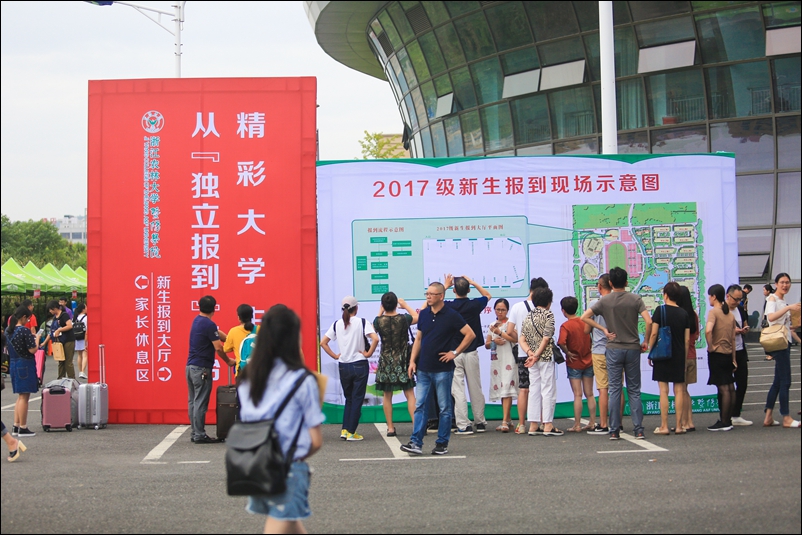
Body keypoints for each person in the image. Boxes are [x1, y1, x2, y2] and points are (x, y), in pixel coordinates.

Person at [237, 304, 324, 534]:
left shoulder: (248, 379)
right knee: (280, 520)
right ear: (294, 338)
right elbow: (316, 441)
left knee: (290, 521)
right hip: (287, 469)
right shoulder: (303, 380)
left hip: (256, 466)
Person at [400, 282, 475, 456]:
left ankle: (442, 443)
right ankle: (416, 442)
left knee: (444, 408)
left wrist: (455, 352)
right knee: (420, 406)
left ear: (441, 296)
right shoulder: (424, 314)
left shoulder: (451, 315)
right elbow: (418, 339)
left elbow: (470, 334)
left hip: (443, 369)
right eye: (427, 294)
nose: (428, 297)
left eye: (432, 294)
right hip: (423, 368)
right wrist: (412, 361)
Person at [581, 267, 652, 440]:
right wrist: (645, 341)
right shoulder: (635, 299)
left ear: (611, 283)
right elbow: (649, 321)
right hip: (633, 347)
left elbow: (584, 317)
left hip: (613, 348)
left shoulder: (605, 301)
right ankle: (638, 429)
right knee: (634, 390)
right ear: (627, 282)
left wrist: (603, 329)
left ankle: (614, 430)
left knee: (614, 389)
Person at [320, 296, 378, 442]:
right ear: (356, 308)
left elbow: (323, 343)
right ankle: (351, 431)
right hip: (359, 364)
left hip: (343, 365)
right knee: (357, 399)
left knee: (349, 398)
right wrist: (368, 353)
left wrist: (335, 356)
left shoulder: (337, 324)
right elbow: (375, 339)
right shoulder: (362, 322)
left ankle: (345, 429)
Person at [443, 274, 491, 435]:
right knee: (475, 387)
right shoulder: (474, 304)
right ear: (469, 290)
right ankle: (480, 421)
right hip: (471, 351)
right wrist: (473, 282)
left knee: (458, 389)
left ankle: (463, 425)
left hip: (454, 352)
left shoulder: (449, 306)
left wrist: (445, 285)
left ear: (454, 290)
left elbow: (434, 301)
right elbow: (487, 295)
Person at [186, 295, 235, 444]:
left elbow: (217, 334)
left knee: (193, 401)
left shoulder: (197, 321)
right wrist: (228, 361)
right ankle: (200, 435)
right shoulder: (209, 324)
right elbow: (218, 348)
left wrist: (231, 339)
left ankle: (195, 432)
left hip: (191, 367)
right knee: (200, 402)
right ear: (214, 308)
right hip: (202, 368)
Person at [506, 277, 549, 434]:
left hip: (523, 353)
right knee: (543, 389)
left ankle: (522, 424)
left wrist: (521, 336)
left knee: (524, 389)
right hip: (541, 353)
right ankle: (544, 422)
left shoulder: (517, 307)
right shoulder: (544, 308)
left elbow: (509, 331)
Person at [373, 292, 418, 437]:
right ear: (395, 304)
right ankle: (416, 425)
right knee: (409, 394)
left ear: (383, 305)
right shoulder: (404, 319)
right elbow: (417, 317)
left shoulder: (378, 321)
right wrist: (405, 305)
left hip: (386, 360)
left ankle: (390, 428)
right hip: (403, 359)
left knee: (387, 395)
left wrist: (380, 312)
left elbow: (374, 328)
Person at [647, 282, 690, 436]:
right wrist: (684, 358)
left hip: (663, 355)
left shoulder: (660, 310)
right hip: (678, 355)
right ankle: (679, 426)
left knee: (663, 391)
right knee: (679, 391)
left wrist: (651, 351)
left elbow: (654, 333)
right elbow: (686, 340)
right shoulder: (684, 313)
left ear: (665, 295)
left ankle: (664, 426)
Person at [519, 287, 563, 436]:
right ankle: (548, 425)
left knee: (534, 390)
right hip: (545, 357)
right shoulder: (548, 315)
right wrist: (537, 355)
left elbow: (522, 339)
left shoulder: (528, 316)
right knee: (548, 390)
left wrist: (530, 353)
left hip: (531, 359)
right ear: (549, 302)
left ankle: (533, 424)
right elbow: (546, 338)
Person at [762, 273, 802, 428]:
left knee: (778, 381)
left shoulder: (782, 300)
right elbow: (771, 317)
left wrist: (794, 322)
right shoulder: (772, 299)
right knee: (786, 381)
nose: (785, 285)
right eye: (782, 282)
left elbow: (783, 323)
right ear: (776, 284)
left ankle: (768, 417)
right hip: (779, 343)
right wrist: (789, 308)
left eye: (787, 282)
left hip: (784, 341)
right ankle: (786, 417)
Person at [557, 296, 596, 433]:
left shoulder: (566, 326)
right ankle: (592, 422)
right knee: (589, 393)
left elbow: (561, 342)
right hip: (588, 360)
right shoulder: (585, 321)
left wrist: (567, 352)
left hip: (574, 363)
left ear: (563, 310)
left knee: (577, 394)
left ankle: (577, 424)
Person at [705, 284, 737, 432]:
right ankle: (728, 419)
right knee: (730, 387)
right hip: (728, 354)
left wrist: (711, 346)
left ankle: (724, 422)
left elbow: (708, 330)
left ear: (714, 296)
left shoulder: (714, 312)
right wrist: (734, 358)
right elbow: (733, 338)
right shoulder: (730, 315)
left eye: (710, 296)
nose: (709, 298)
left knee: (723, 388)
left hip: (717, 354)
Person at [8, 306, 43, 438]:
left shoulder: (9, 331)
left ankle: (16, 425)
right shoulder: (24, 330)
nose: (28, 321)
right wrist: (37, 339)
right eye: (28, 319)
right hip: (25, 364)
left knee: (19, 396)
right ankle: (23, 427)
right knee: (24, 397)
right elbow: (33, 350)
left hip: (13, 363)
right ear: (23, 317)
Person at [586, 274, 614, 435]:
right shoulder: (618, 302)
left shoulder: (594, 304)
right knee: (617, 388)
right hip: (616, 348)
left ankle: (603, 424)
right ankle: (617, 423)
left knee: (603, 388)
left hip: (599, 349)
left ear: (600, 286)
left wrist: (597, 327)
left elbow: (586, 328)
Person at [486, 298, 518, 432]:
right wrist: (494, 341)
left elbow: (515, 339)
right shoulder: (492, 325)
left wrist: (500, 333)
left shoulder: (511, 324)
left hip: (509, 358)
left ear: (507, 310)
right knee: (501, 389)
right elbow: (487, 344)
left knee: (507, 387)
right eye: (498, 309)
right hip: (497, 360)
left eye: (503, 310)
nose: (500, 312)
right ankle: (508, 419)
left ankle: (504, 421)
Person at [726, 285, 752, 426]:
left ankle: (736, 414)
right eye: (735, 299)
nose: (737, 302)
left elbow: (745, 323)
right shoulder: (721, 311)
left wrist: (744, 329)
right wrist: (732, 331)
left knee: (742, 383)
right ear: (728, 296)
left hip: (740, 349)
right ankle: (725, 416)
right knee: (726, 385)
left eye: (740, 299)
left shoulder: (740, 309)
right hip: (726, 351)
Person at [676, 286, 700, 432]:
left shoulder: (680, 315)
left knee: (682, 391)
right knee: (685, 390)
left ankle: (686, 421)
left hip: (682, 356)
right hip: (692, 354)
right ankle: (689, 420)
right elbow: (696, 335)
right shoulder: (693, 315)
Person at [223, 304, 258, 376]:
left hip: (241, 371)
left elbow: (226, 349)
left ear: (239, 317)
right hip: (257, 370)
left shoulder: (233, 331)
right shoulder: (260, 329)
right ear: (252, 316)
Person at [45, 299, 76, 380]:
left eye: (50, 309)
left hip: (68, 340)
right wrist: (44, 342)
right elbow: (51, 331)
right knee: (61, 360)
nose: (50, 311)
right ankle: (60, 379)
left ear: (55, 308)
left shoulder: (64, 315)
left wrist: (59, 330)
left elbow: (69, 325)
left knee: (68, 362)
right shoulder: (55, 317)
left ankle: (71, 379)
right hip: (60, 341)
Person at [73, 303, 88, 380]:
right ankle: (82, 371)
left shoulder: (75, 318)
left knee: (79, 355)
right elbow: (87, 331)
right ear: (83, 309)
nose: (87, 308)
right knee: (85, 355)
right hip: (83, 337)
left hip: (77, 338)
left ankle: (80, 371)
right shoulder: (86, 318)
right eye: (86, 307)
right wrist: (86, 342)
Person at [762, 284, 776, 361]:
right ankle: (770, 354)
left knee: (768, 338)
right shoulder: (768, 298)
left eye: (764, 290)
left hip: (769, 321)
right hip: (768, 320)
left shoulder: (770, 299)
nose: (763, 292)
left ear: (768, 291)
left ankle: (770, 354)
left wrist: (765, 319)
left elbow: (768, 312)